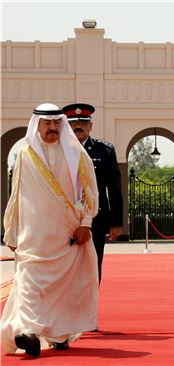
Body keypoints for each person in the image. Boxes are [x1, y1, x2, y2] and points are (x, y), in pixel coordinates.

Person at [1, 103, 99, 357]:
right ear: (37, 125)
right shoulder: (25, 154)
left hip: (67, 235)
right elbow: (17, 195)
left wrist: (86, 224)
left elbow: (89, 193)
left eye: (57, 123)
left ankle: (60, 333)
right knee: (29, 283)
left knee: (64, 288)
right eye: (47, 124)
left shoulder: (77, 153)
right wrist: (11, 231)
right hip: (33, 237)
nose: (53, 128)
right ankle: (27, 332)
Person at [62, 103, 123, 284]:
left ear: (91, 126)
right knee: (65, 265)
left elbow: (114, 188)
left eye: (83, 121)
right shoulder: (57, 150)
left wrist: (116, 222)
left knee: (92, 264)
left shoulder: (104, 150)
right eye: (73, 122)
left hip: (95, 218)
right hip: (64, 218)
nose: (78, 125)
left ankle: (89, 305)